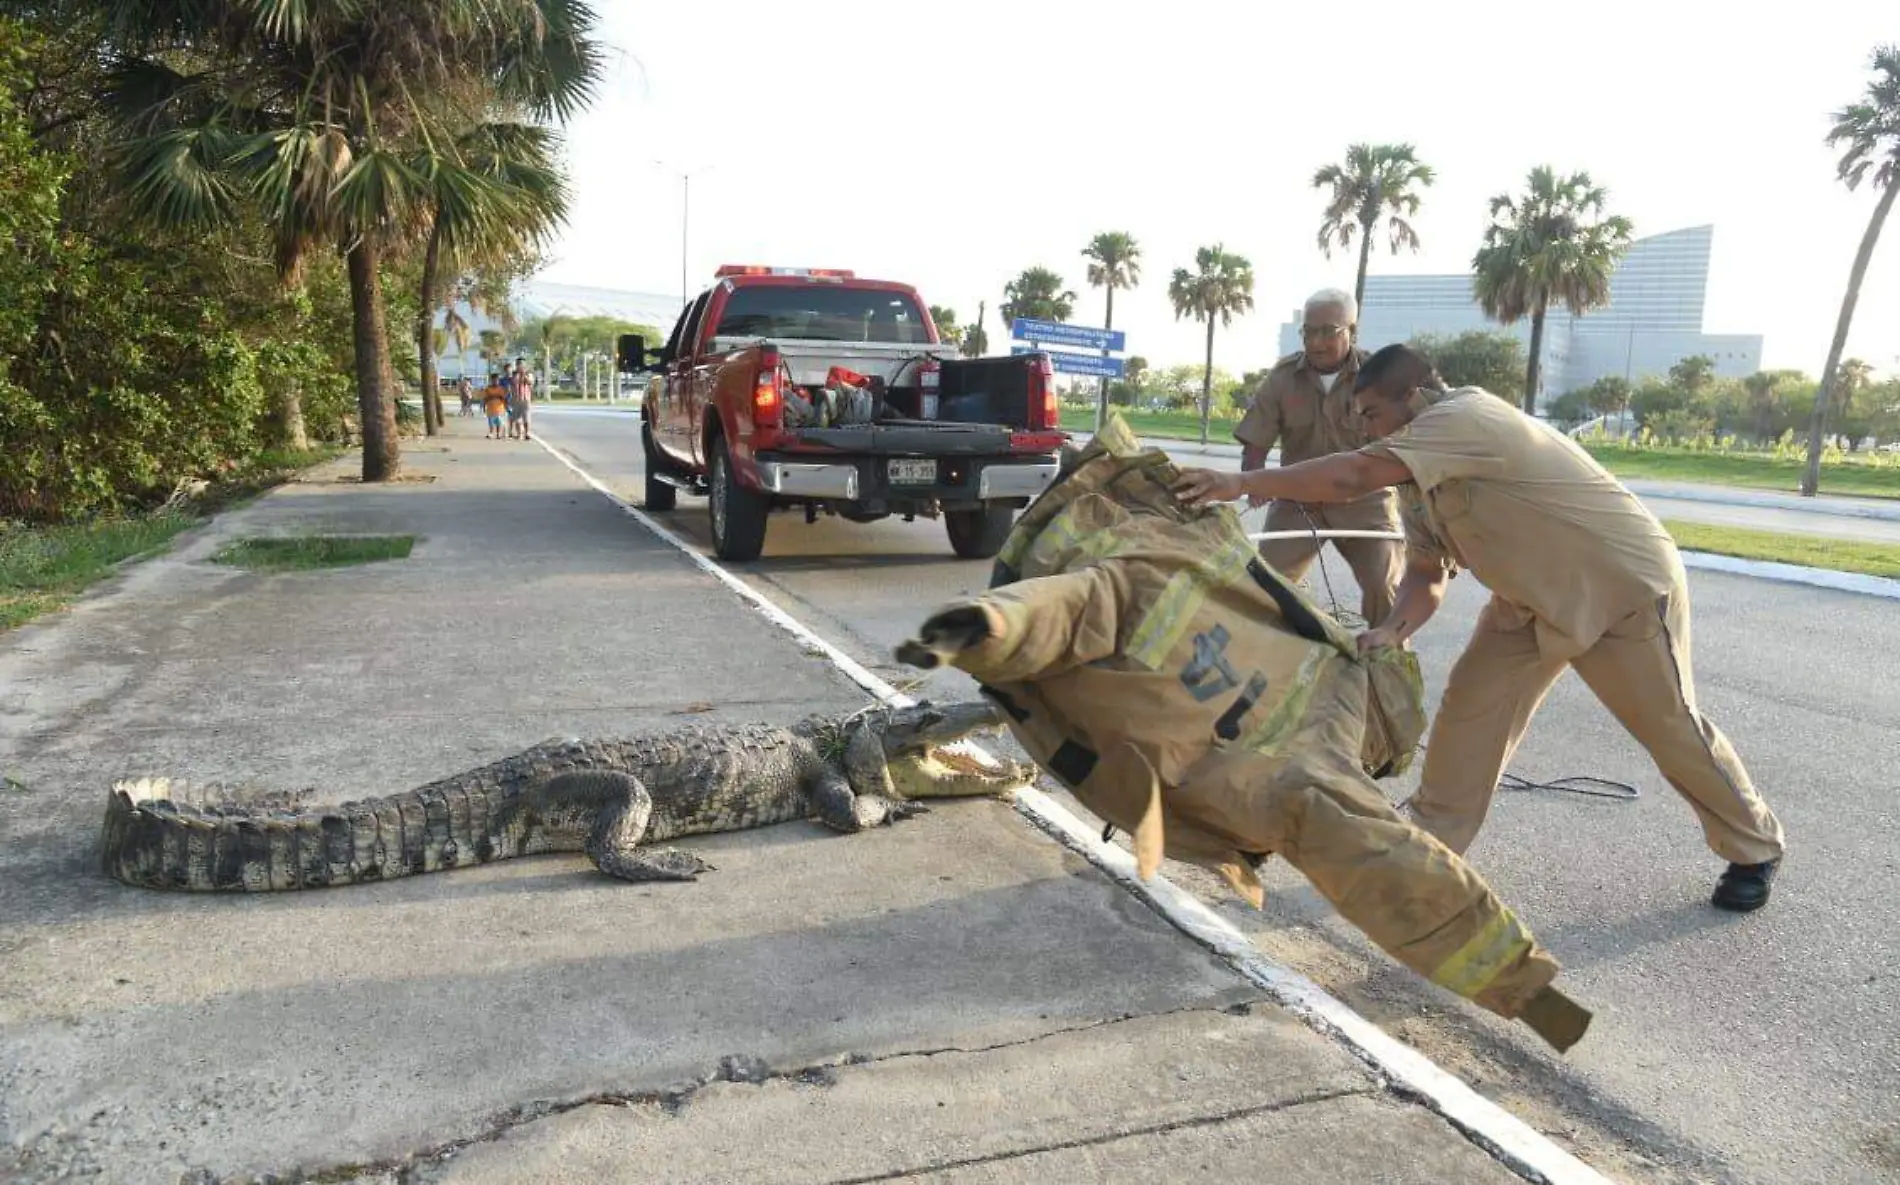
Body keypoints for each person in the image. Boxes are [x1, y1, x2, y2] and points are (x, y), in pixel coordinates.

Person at [1171, 343, 1786, 912]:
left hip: (1618, 589)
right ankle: (1424, 854)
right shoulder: (1417, 481)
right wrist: (1392, 629)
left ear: (1412, 397)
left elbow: (1351, 475)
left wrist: (1241, 482)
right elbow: (1426, 573)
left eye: (1372, 412)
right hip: (1525, 602)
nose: (1365, 427)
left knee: (1669, 727)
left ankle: (1754, 846)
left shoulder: (1465, 418)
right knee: (1470, 713)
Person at [1233, 288, 1402, 627]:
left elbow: (1408, 444)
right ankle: (1271, 665)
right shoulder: (1281, 378)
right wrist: (1255, 478)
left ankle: (1388, 667)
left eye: (1328, 331)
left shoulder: (1380, 377)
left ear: (1352, 331)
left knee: (1385, 590)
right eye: (1309, 331)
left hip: (1366, 504)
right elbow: (1256, 442)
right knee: (1261, 588)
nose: (1316, 342)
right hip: (1298, 501)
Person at [511, 357, 535, 441]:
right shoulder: (514, 374)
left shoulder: (529, 374)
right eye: (518, 364)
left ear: (525, 364)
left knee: (526, 417)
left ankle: (527, 433)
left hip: (526, 399)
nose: (520, 365)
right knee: (516, 418)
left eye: (521, 364)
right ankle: (519, 434)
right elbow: (513, 384)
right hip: (516, 399)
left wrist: (524, 375)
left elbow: (530, 383)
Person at [482, 374, 508, 440]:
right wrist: (484, 406)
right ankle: (491, 433)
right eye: (494, 380)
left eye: (497, 380)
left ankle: (498, 433)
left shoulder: (501, 389)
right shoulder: (488, 389)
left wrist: (506, 406)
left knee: (498, 422)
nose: (495, 382)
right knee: (491, 423)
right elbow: (485, 398)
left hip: (499, 409)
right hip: (490, 409)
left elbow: (504, 398)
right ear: (491, 380)